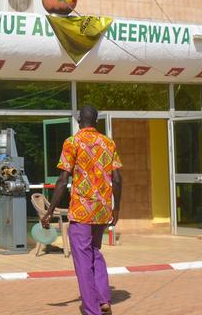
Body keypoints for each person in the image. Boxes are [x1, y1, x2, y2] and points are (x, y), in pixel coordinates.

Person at [42, 105, 123, 315]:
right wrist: (116, 208)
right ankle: (103, 299)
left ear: (79, 120)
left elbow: (62, 180)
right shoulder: (108, 143)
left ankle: (91, 309)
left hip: (81, 210)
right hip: (102, 209)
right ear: (96, 121)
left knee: (83, 260)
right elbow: (117, 179)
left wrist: (49, 210)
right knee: (95, 251)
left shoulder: (72, 142)